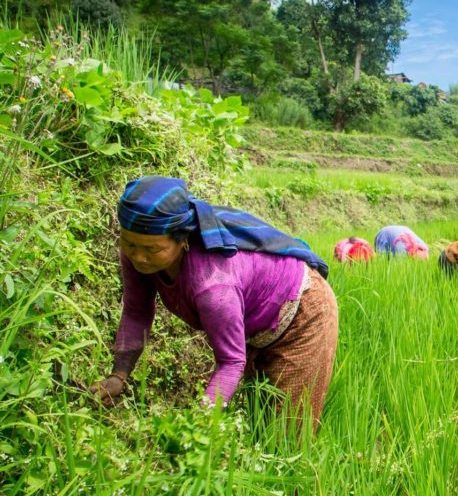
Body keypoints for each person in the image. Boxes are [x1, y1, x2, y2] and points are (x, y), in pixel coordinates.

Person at [89, 176, 339, 430]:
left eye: (152, 249)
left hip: (303, 312)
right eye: (129, 243)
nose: (139, 257)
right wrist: (118, 375)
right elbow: (136, 312)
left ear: (183, 240)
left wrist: (197, 425)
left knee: (287, 431)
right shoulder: (137, 251)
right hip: (256, 321)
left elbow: (231, 362)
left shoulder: (212, 285)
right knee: (259, 423)